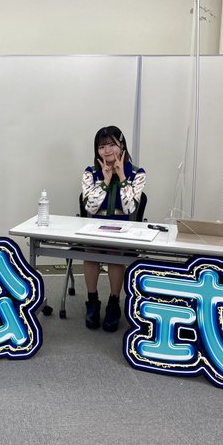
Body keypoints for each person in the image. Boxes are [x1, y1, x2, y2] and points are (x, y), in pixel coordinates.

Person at [82, 126, 146, 332]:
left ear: (122, 146)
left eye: (112, 145)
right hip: (95, 226)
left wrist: (121, 176)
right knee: (90, 250)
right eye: (102, 147)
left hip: (123, 228)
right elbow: (90, 207)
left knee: (115, 252)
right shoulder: (90, 172)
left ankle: (113, 302)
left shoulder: (137, 173)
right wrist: (106, 180)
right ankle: (92, 301)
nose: (107, 150)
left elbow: (130, 208)